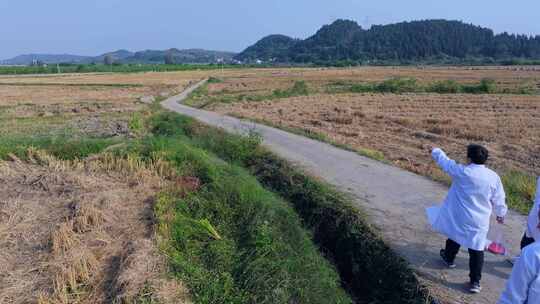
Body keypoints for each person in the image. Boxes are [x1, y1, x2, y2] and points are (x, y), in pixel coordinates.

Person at [428, 144, 508, 294]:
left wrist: (436, 151)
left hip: (460, 216)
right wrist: (500, 213)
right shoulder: (493, 177)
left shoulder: (463, 172)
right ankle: (475, 282)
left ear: (469, 158)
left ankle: (449, 258)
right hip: (479, 221)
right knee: (476, 249)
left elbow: (446, 163)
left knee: (455, 234)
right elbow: (499, 198)